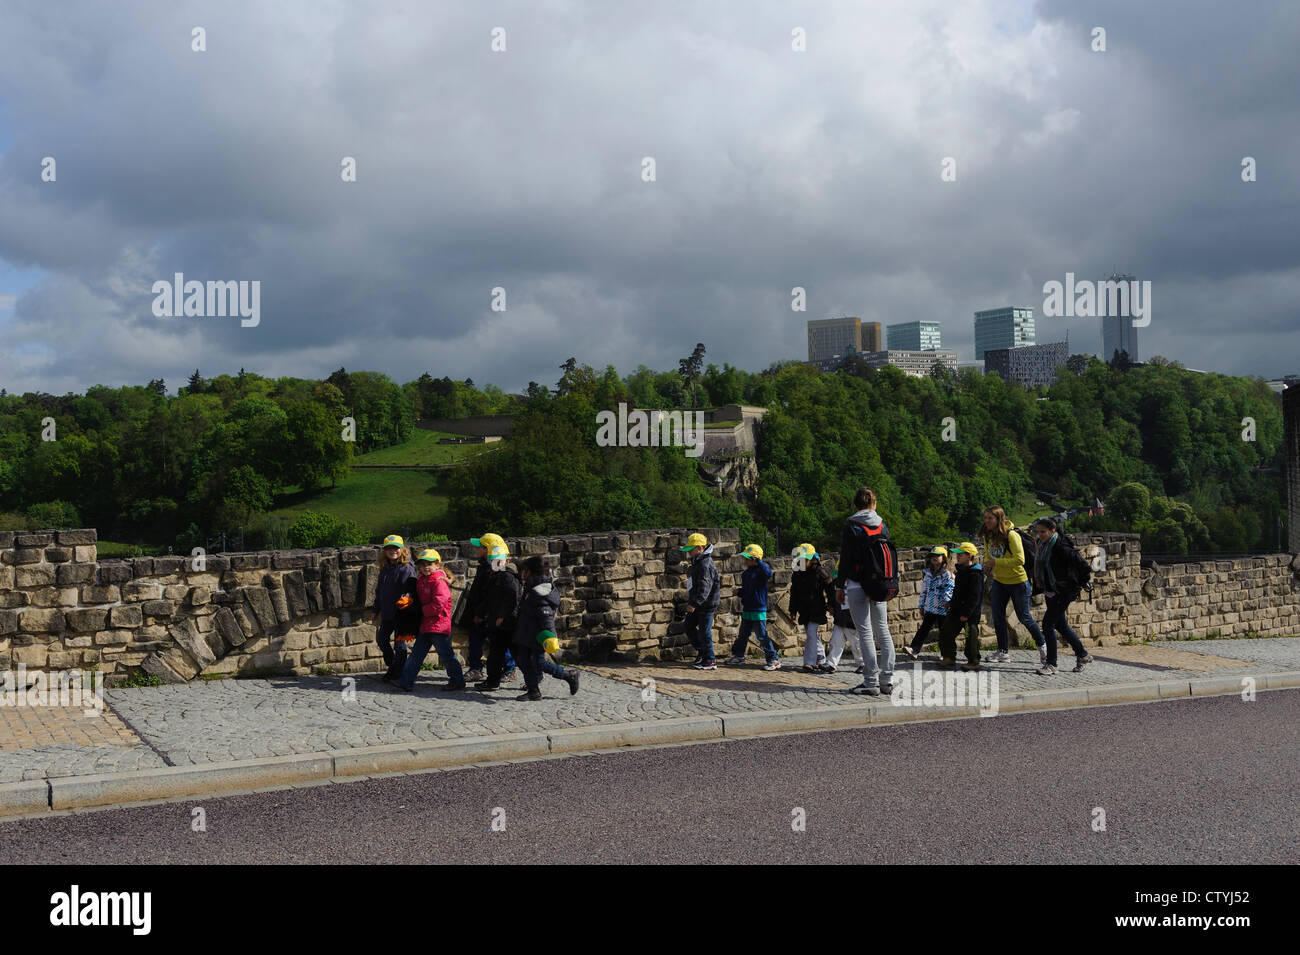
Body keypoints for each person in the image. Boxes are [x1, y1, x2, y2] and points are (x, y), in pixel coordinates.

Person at [837, 487, 896, 695]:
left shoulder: (851, 525)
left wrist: (839, 585)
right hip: (879, 584)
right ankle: (887, 680)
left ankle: (870, 682)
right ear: (874, 503)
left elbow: (845, 559)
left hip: (856, 584)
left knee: (865, 632)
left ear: (855, 505)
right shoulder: (882, 525)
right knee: (883, 629)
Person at [978, 506, 1047, 664]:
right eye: (985, 518)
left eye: (990, 518)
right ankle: (1003, 652)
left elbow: (1019, 560)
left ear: (998, 519)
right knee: (998, 617)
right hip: (1000, 581)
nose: (986, 521)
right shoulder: (988, 536)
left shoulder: (1012, 535)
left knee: (1024, 617)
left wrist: (996, 562)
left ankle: (1043, 647)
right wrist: (988, 565)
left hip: (1018, 581)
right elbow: (989, 556)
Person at [1031, 518, 1096, 675]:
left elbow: (1083, 565)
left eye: (1043, 532)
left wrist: (1083, 582)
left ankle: (1051, 663)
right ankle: (1082, 654)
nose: (1040, 535)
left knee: (1047, 624)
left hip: (1065, 590)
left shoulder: (1060, 546)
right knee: (1060, 625)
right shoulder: (1043, 545)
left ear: (1052, 531)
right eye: (1038, 532)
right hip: (1051, 589)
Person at [397, 548, 467, 692]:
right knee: (416, 654)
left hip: (438, 626)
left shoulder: (438, 581)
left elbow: (438, 604)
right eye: (422, 565)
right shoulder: (423, 579)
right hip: (427, 625)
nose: (425, 567)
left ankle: (457, 680)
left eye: (429, 564)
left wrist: (419, 611)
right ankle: (406, 680)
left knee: (446, 656)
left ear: (437, 565)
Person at [512, 555, 580, 700]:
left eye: (524, 570)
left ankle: (569, 675)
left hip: (538, 635)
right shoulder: (532, 587)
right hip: (526, 632)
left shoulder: (540, 591)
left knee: (539, 662)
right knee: (523, 660)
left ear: (529, 572)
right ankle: (533, 690)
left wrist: (550, 635)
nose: (522, 574)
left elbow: (546, 615)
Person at [463, 532, 516, 683]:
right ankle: (476, 668)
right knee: (476, 640)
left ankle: (509, 669)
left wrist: (481, 613)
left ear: (487, 549)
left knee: (498, 643)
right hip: (479, 611)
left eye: (480, 547)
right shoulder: (484, 566)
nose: (477, 549)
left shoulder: (494, 569)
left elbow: (490, 595)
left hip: (487, 613)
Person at [474, 544, 523, 692]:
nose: (496, 563)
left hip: (508, 623)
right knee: (495, 654)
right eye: (493, 560)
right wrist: (480, 613)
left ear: (506, 560)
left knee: (518, 655)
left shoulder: (507, 576)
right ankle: (492, 681)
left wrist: (502, 616)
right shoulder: (494, 576)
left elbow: (512, 598)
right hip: (498, 623)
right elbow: (489, 599)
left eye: (499, 560)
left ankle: (533, 681)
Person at [724, 544, 781, 671]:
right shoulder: (746, 574)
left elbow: (768, 573)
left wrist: (759, 561)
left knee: (762, 635)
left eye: (748, 558)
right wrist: (739, 592)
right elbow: (747, 590)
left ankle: (773, 659)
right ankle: (739, 656)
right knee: (743, 635)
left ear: (754, 559)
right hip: (748, 608)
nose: (745, 560)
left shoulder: (762, 571)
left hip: (758, 608)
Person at [783, 543, 837, 673]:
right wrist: (793, 610)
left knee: (812, 632)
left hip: (816, 608)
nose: (802, 562)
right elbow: (794, 592)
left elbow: (830, 588)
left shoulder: (819, 571)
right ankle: (821, 660)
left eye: (805, 559)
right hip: (804, 609)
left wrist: (831, 604)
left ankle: (809, 662)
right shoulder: (797, 573)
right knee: (812, 634)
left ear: (812, 559)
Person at [371, 534, 416, 681]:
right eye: (389, 548)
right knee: (382, 640)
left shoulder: (406, 569)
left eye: (396, 548)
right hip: (387, 614)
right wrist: (375, 609)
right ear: (385, 551)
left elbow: (409, 591)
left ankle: (398, 671)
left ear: (402, 550)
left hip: (401, 614)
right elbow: (380, 591)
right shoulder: (385, 568)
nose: (393, 551)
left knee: (400, 645)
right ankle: (393, 665)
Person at [937, 543, 984, 670]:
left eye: (961, 554)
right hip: (956, 610)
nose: (958, 556)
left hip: (969, 613)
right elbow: (958, 593)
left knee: (971, 638)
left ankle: (974, 662)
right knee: (946, 632)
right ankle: (949, 657)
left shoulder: (976, 574)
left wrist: (966, 614)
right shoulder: (961, 572)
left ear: (970, 556)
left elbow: (974, 596)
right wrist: (950, 603)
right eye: (957, 554)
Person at [904, 546, 955, 660]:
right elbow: (924, 591)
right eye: (932, 556)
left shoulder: (948, 574)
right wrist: (922, 606)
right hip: (930, 607)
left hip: (943, 608)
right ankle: (914, 649)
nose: (934, 558)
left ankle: (945, 654)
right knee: (923, 629)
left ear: (944, 558)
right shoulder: (928, 574)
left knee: (944, 632)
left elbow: (950, 589)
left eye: (937, 556)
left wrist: (946, 601)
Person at [681, 532, 720, 670]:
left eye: (691, 549)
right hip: (698, 604)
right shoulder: (697, 562)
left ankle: (710, 660)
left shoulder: (705, 564)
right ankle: (703, 653)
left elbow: (705, 588)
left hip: (706, 605)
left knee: (704, 632)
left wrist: (694, 604)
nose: (689, 552)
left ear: (699, 548)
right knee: (688, 626)